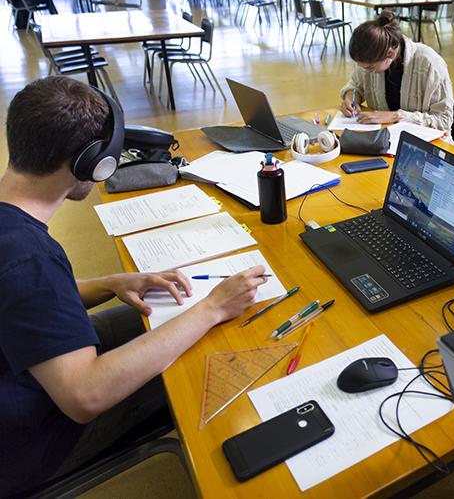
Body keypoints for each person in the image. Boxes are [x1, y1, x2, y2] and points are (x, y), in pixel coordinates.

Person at [0, 77, 268, 495]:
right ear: (92, 163)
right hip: (34, 437)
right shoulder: (31, 258)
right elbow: (84, 396)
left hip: (24, 376)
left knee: (164, 316)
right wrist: (213, 308)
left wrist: (110, 281)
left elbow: (23, 300)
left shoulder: (12, 230)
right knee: (204, 352)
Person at [339, 11, 454, 131]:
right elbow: (355, 85)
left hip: (422, 142)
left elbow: (444, 120)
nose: (365, 72)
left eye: (369, 68)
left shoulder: (429, 63)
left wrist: (396, 116)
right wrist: (351, 99)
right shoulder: (372, 58)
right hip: (385, 137)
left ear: (389, 53)